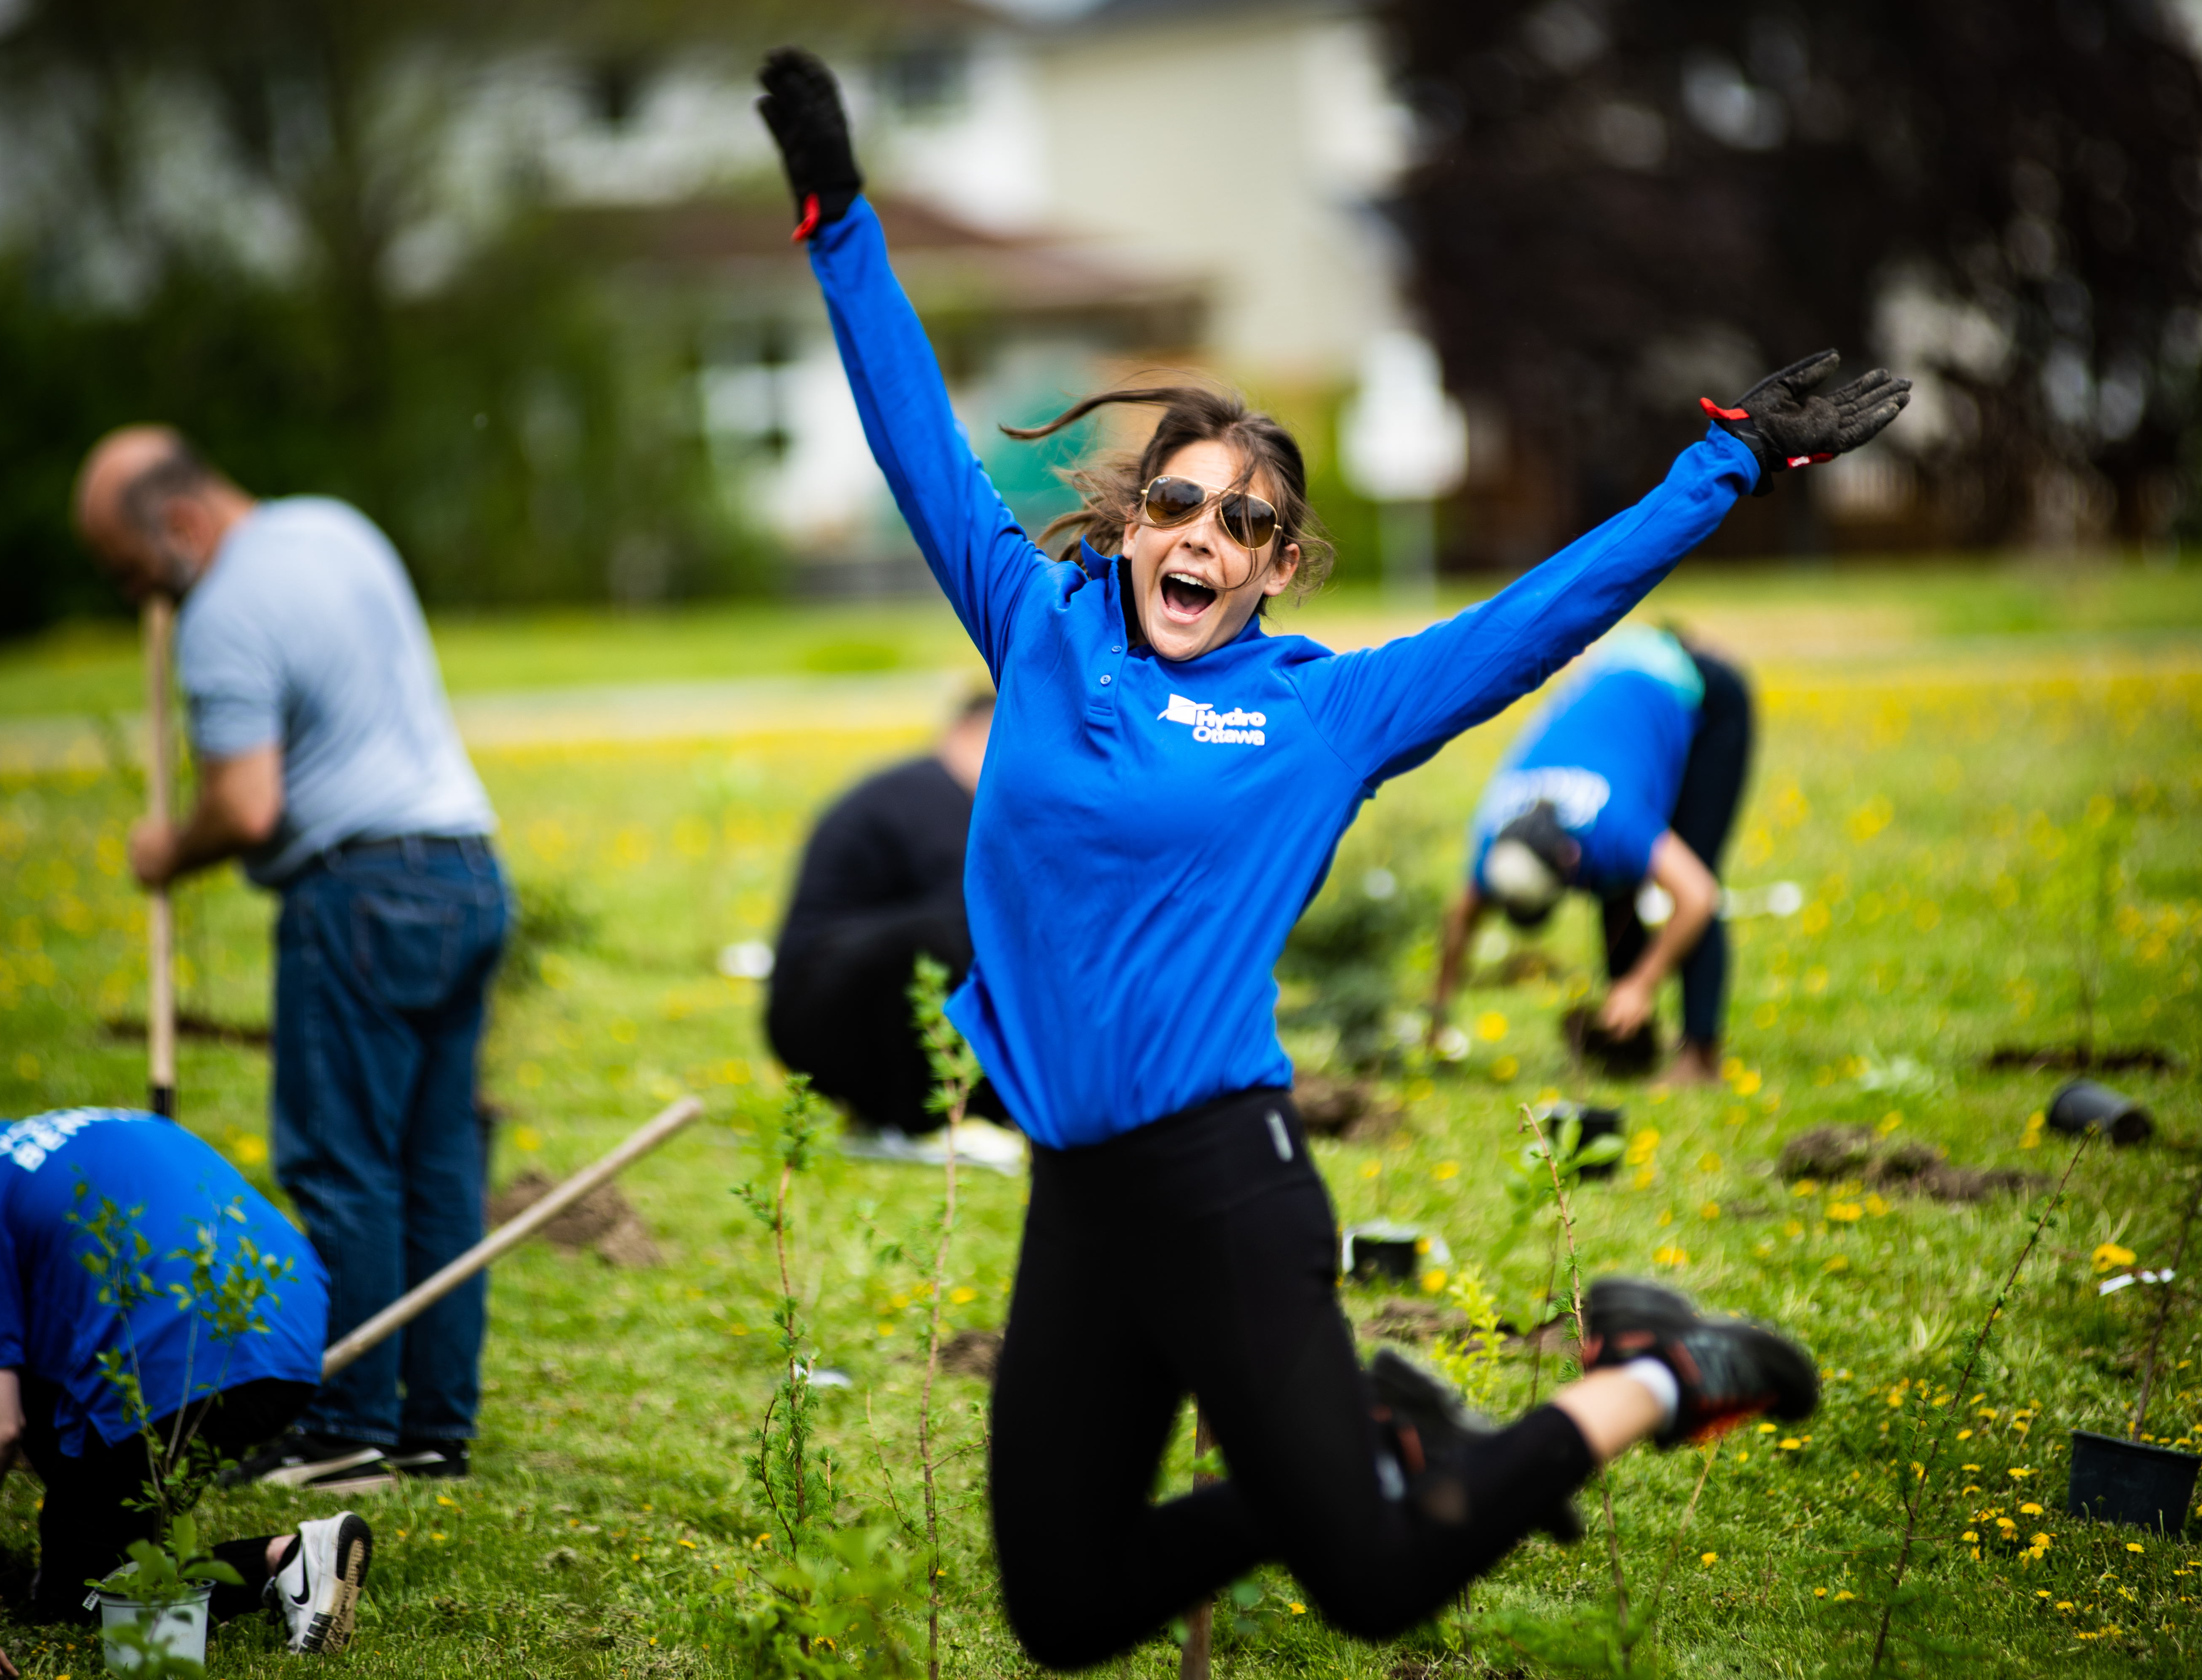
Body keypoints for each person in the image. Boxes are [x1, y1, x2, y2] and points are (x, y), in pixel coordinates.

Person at [756, 47, 1905, 1669]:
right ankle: (1383, 1447)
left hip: (1222, 1178)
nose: (1201, 538)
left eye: (1243, 523)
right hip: (1078, 1194)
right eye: (1179, 503)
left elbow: (1538, 617)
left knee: (1374, 1577)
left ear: (1277, 565)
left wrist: (1723, 458)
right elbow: (910, 435)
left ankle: (1660, 1371)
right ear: (1136, 522)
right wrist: (835, 217)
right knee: (1064, 1604)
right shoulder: (1034, 629)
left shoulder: (1325, 712)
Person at [72, 430, 509, 1489]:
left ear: (179, 525)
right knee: (436, 1161)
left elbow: (248, 803)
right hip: (468, 870)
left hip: (356, 893)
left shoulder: (222, 611)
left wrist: (167, 849)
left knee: (342, 1160)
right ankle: (434, 1425)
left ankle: (351, 1425)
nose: (143, 600)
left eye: (134, 574)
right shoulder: (335, 525)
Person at [0, 1093, 373, 1667]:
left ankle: (286, 1561)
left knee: (80, 1596)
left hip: (180, 1357)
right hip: (288, 1337)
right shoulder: (77, 1131)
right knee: (85, 1506)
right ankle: (89, 1540)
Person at [1430, 623, 1754, 1085]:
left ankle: (1700, 1059)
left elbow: (1697, 896)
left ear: (1567, 859)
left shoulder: (1610, 823)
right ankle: (1633, 1032)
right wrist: (1438, 1019)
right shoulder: (1493, 839)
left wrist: (1642, 984)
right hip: (1621, 682)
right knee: (1615, 879)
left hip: (1698, 691)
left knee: (1695, 864)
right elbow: (1461, 919)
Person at [766, 691, 1023, 1170]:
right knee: (944, 936)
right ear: (965, 733)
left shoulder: (930, 793)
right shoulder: (931, 791)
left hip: (838, 1009)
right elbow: (979, 914)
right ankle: (915, 1122)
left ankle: (956, 1112)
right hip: (817, 1013)